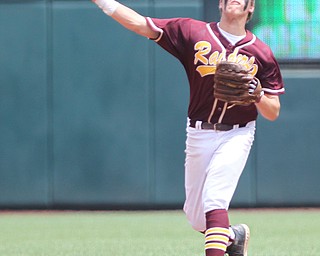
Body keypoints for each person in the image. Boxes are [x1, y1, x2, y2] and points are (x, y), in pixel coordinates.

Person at [92, 0, 285, 255]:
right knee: (196, 218)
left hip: (237, 133)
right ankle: (233, 236)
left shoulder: (261, 53)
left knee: (215, 200)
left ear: (251, 7)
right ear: (220, 3)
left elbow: (273, 111)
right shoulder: (193, 33)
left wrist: (259, 95)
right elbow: (140, 24)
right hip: (198, 132)